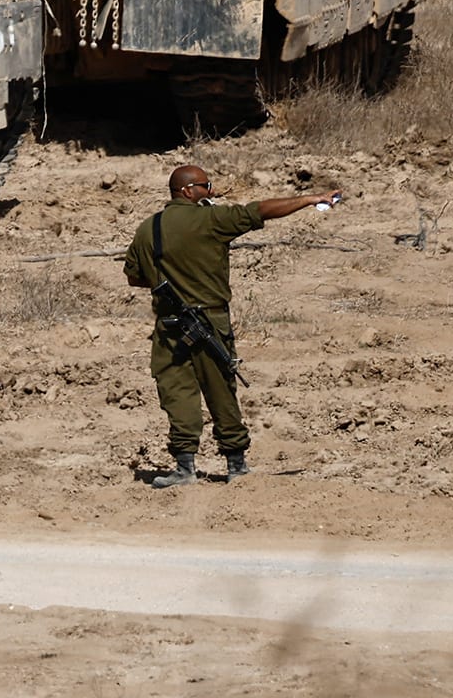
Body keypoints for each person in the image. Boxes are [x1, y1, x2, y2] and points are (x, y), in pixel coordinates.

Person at [123, 162, 344, 487]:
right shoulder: (213, 220)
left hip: (170, 328)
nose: (210, 191)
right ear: (188, 190)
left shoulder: (148, 228)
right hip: (210, 321)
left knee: (176, 392)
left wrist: (171, 280)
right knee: (221, 391)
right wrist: (310, 199)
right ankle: (236, 464)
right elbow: (261, 210)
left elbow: (134, 276)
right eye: (206, 185)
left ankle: (185, 468)